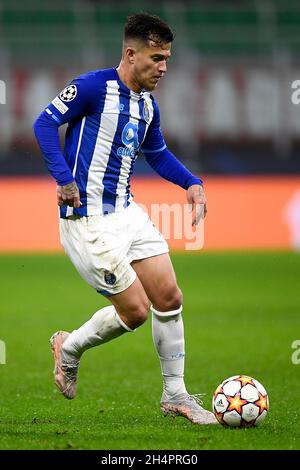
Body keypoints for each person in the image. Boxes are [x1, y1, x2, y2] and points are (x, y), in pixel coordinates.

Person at [33, 12, 217, 425]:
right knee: (134, 312)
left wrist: (191, 182)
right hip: (88, 220)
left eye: (167, 58)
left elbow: (157, 153)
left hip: (127, 212)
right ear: (131, 54)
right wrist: (63, 178)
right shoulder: (93, 87)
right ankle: (69, 348)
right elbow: (44, 123)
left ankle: (176, 395)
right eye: (156, 58)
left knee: (169, 297)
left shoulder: (146, 105)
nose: (164, 68)